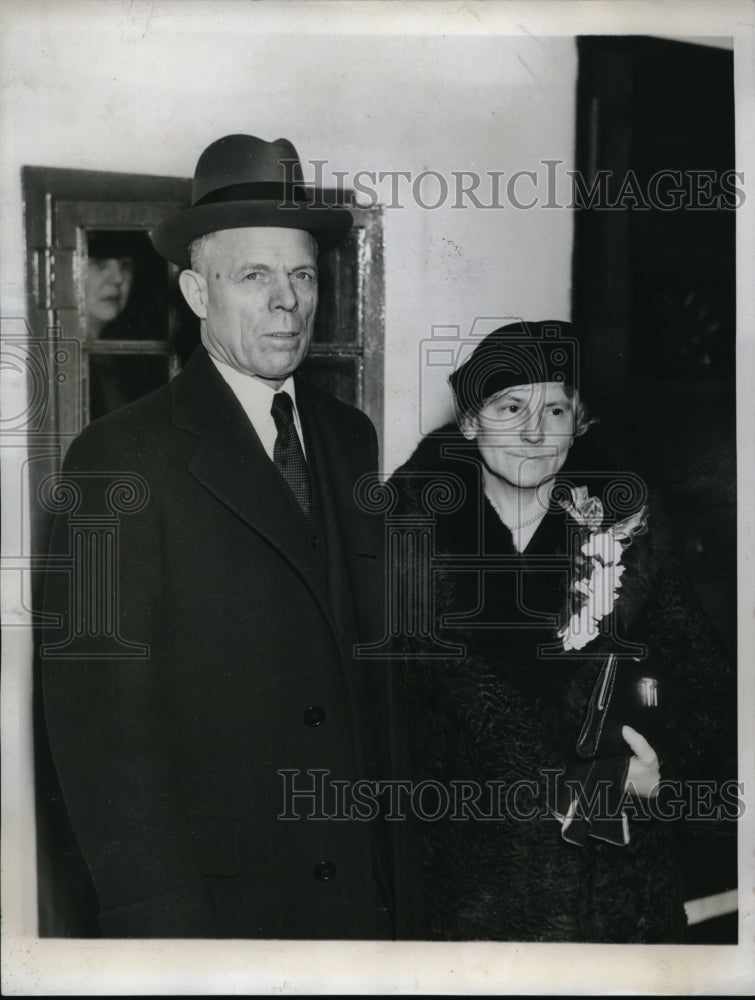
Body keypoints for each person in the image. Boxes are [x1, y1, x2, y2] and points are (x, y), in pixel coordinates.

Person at [41, 134, 405, 939]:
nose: (289, 301)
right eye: (255, 275)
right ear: (197, 293)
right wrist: (160, 930)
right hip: (218, 910)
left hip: (357, 900)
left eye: (303, 274)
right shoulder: (117, 457)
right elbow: (99, 730)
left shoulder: (349, 437)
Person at [390, 321, 736, 942]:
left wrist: (665, 772)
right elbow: (407, 705)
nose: (532, 431)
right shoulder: (409, 531)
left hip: (613, 884)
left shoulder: (629, 524)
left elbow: (706, 674)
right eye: (510, 406)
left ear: (577, 423)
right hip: (467, 883)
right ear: (470, 424)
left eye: (553, 408)